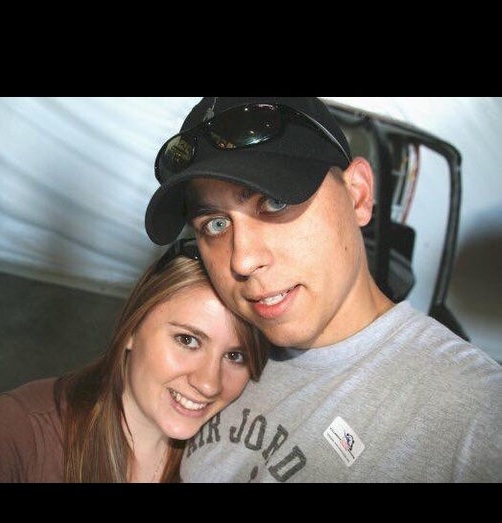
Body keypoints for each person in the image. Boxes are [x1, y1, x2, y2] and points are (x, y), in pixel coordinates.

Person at [144, 96, 502, 483]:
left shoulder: (474, 411)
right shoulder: (225, 354)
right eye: (215, 224)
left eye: (274, 202)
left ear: (358, 195)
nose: (242, 260)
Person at [0, 238, 269, 483]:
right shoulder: (15, 432)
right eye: (187, 340)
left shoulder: (225, 457)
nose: (208, 383)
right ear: (131, 329)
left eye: (235, 356)